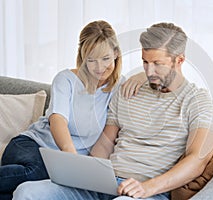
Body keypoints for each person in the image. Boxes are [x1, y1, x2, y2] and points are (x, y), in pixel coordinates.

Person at [13, 22, 213, 200]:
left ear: (179, 60)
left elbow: (197, 160)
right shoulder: (129, 91)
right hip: (104, 184)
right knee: (27, 191)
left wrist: (148, 187)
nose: (149, 72)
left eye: (157, 64)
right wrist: (84, 173)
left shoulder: (199, 101)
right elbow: (105, 143)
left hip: (146, 192)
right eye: (145, 62)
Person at [0, 20, 145, 200]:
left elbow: (160, 74)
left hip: (67, 164)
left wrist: (142, 74)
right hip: (33, 146)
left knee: (21, 192)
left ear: (116, 53)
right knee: (39, 172)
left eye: (106, 59)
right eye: (91, 60)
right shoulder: (66, 79)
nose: (99, 68)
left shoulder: (119, 87)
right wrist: (72, 162)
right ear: (83, 57)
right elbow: (58, 119)